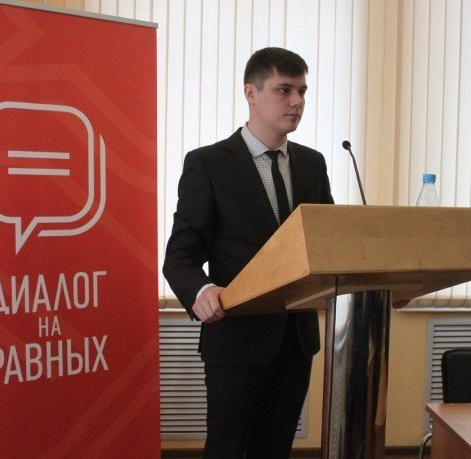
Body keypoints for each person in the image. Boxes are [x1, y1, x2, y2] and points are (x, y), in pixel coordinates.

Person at [163, 47, 334, 458]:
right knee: (227, 449)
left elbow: (327, 245)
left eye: (302, 92)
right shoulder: (208, 164)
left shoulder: (312, 164)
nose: (297, 101)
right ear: (251, 93)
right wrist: (202, 290)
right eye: (284, 90)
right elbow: (181, 255)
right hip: (236, 339)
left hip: (295, 339)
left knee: (274, 450)